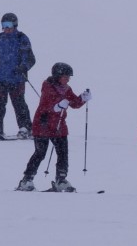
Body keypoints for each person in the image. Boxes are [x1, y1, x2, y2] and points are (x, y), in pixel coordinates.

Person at [16, 62, 91, 192]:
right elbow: (47, 103)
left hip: (59, 126)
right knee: (40, 153)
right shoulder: (47, 86)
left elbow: (74, 103)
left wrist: (83, 98)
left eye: (69, 77)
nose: (67, 79)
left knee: (63, 153)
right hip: (43, 124)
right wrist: (57, 106)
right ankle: (26, 180)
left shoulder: (66, 88)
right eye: (65, 77)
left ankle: (61, 179)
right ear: (57, 76)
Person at [0, 12, 36, 139]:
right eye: (3, 25)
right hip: (1, 77)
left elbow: (30, 58)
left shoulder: (21, 38)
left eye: (8, 25)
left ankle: (25, 127)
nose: (6, 28)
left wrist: (23, 67)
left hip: (16, 78)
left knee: (19, 104)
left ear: (15, 25)